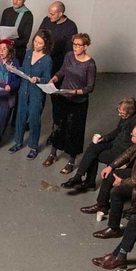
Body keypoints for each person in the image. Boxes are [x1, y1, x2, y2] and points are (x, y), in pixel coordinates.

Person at [86, 124, 136, 237]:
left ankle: (113, 228)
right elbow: (129, 152)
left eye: (133, 135)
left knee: (116, 192)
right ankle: (102, 205)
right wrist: (111, 166)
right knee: (110, 174)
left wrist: (122, 182)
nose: (131, 135)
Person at [64, 98, 136, 194]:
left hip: (121, 151)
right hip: (116, 142)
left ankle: (88, 182)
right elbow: (118, 130)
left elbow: (135, 146)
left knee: (95, 155)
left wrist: (126, 162)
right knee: (94, 146)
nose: (119, 115)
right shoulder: (126, 117)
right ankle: (79, 176)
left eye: (122, 114)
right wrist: (105, 138)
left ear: (130, 112)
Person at [43, 33, 96, 169]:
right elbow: (62, 71)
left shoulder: (90, 64)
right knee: (58, 125)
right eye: (74, 44)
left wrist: (75, 92)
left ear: (86, 46)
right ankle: (53, 153)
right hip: (63, 97)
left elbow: (90, 87)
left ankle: (71, 160)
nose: (75, 47)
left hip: (78, 102)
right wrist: (54, 78)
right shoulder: (69, 56)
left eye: (78, 45)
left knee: (75, 130)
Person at [8, 31, 52, 156]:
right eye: (35, 41)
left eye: (40, 43)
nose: (36, 45)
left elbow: (47, 78)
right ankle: (18, 141)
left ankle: (33, 146)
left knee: (34, 119)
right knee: (20, 117)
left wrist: (38, 79)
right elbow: (25, 70)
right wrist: (14, 69)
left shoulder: (47, 60)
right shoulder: (28, 53)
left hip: (36, 93)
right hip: (24, 90)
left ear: (45, 45)